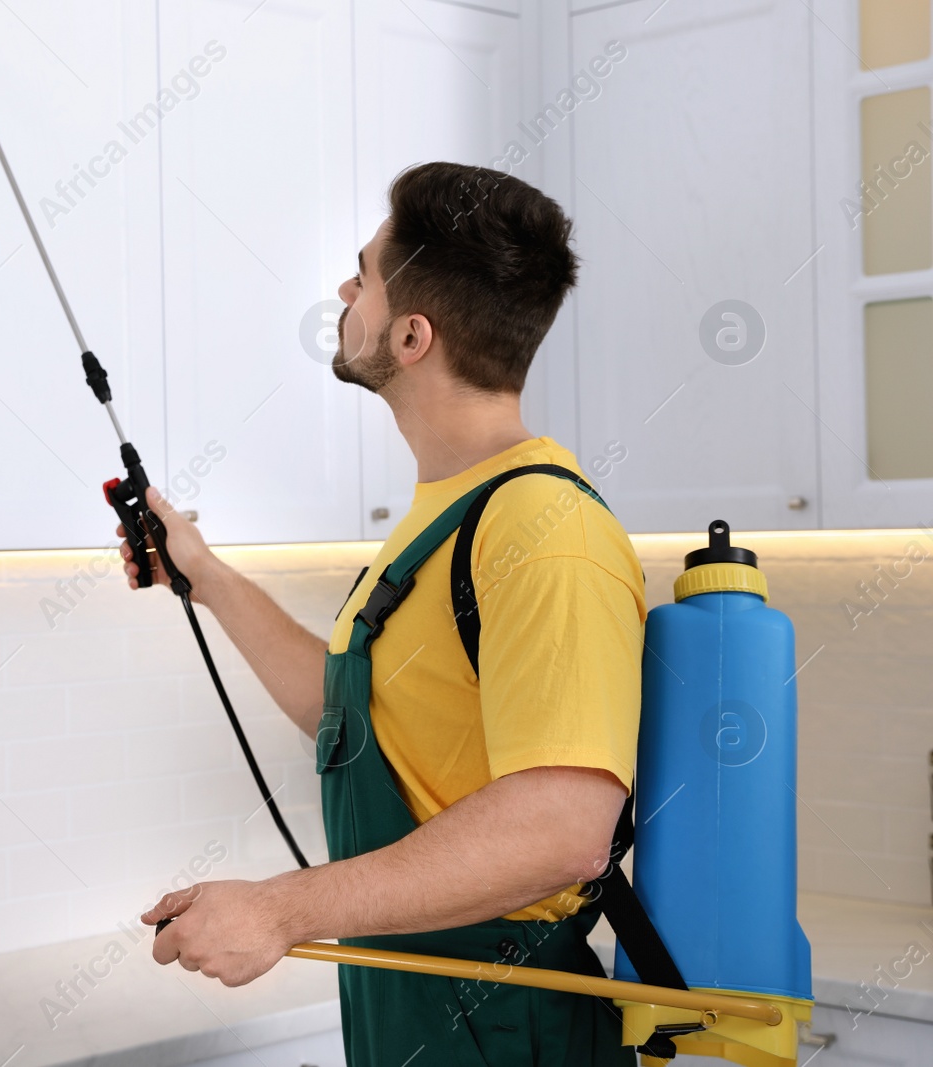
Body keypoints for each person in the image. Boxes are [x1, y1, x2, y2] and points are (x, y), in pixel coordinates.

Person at [123, 162, 643, 1066]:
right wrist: (203, 575)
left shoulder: (545, 531)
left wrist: (282, 906)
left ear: (410, 335)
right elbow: (349, 717)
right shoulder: (447, 513)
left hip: (503, 1026)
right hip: (415, 1012)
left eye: (364, 272)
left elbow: (564, 827)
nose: (342, 288)